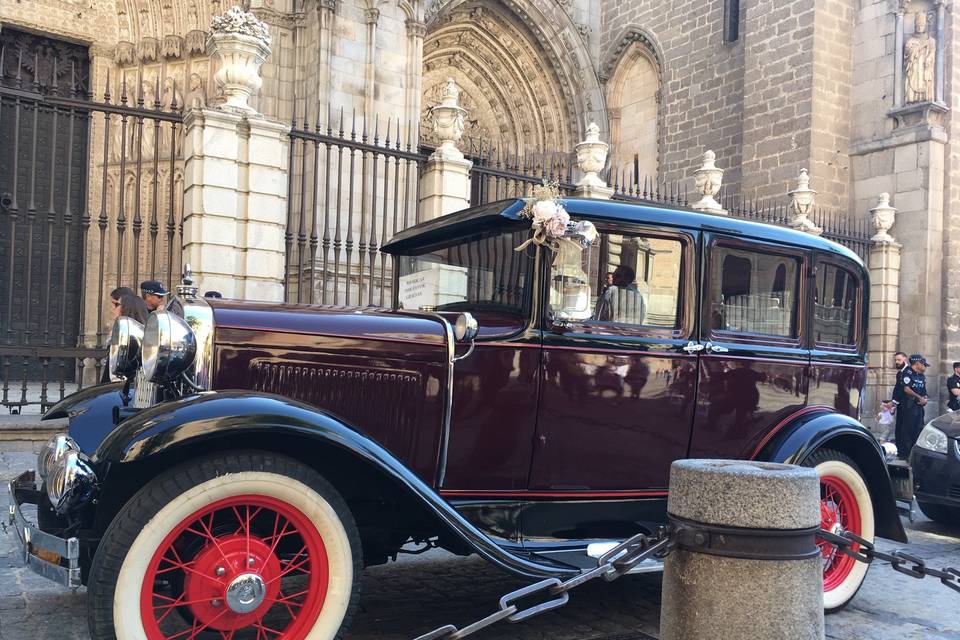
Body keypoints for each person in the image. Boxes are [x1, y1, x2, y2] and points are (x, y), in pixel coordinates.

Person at [896, 354, 929, 460]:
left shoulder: (921, 376)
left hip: (919, 407)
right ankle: (905, 454)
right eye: (923, 364)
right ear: (917, 363)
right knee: (907, 430)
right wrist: (919, 398)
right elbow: (906, 389)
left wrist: (924, 399)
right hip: (908, 406)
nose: (925, 367)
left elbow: (924, 391)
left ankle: (915, 454)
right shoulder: (907, 373)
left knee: (918, 429)